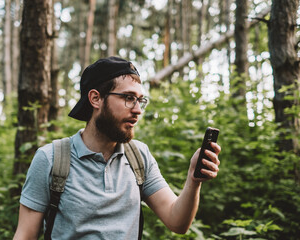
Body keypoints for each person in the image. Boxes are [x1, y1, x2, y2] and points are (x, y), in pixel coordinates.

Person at [13, 56, 221, 240]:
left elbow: (177, 222)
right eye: (129, 98)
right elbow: (25, 235)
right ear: (96, 98)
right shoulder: (51, 159)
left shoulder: (139, 156)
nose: (138, 110)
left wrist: (193, 180)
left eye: (140, 100)